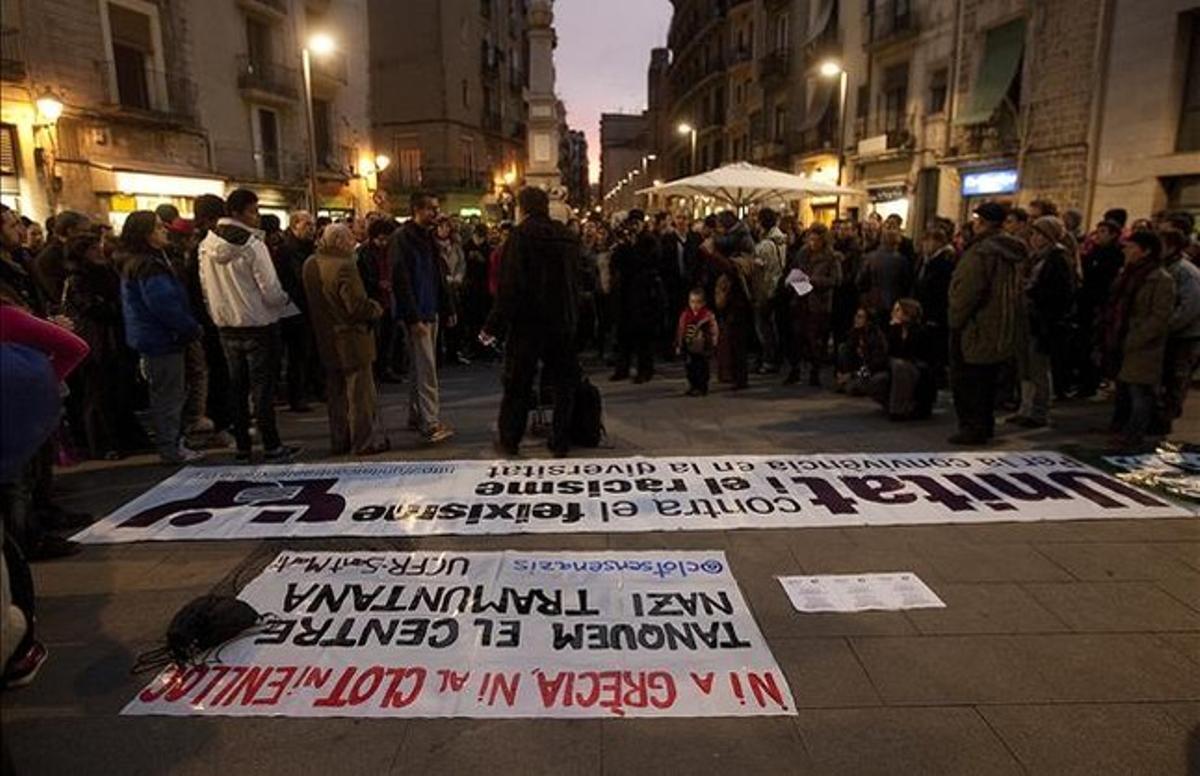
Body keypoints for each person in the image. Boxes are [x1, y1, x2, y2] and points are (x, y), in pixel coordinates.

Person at [198, 188, 302, 463]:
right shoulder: (253, 245)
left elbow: (206, 288)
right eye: (252, 211)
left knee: (237, 386)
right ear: (236, 213)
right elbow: (270, 288)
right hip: (258, 323)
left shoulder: (206, 245)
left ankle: (243, 446)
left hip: (226, 324)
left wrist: (217, 313)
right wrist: (283, 301)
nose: (256, 217)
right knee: (262, 388)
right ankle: (271, 444)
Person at [482, 187, 582, 457]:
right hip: (562, 320)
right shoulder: (567, 236)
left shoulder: (519, 237)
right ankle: (561, 439)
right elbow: (579, 281)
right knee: (563, 383)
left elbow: (510, 286)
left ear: (523, 208)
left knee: (518, 382)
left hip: (529, 322)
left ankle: (511, 438)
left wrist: (494, 325)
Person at [117, 211, 205, 464]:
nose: (164, 230)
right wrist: (189, 327)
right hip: (161, 338)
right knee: (168, 395)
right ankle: (170, 447)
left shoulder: (144, 261)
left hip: (156, 336)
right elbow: (163, 304)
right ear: (145, 234)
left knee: (167, 393)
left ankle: (173, 443)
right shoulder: (147, 265)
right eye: (157, 228)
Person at [302, 224, 387, 456]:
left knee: (336, 395)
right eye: (350, 239)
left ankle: (339, 440)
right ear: (340, 241)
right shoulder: (345, 266)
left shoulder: (311, 264)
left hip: (325, 336)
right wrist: (376, 308)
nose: (354, 243)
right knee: (359, 395)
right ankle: (363, 442)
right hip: (351, 338)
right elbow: (355, 306)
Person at [947, 202, 1027, 445]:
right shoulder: (1010, 251)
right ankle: (984, 424)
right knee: (986, 381)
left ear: (982, 222)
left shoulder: (983, 251)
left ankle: (973, 427)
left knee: (970, 382)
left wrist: (955, 318)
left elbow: (969, 290)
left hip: (977, 325)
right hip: (998, 325)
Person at [61, 231, 137, 459]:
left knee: (116, 391)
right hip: (95, 341)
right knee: (97, 395)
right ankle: (103, 444)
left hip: (112, 339)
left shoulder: (106, 271)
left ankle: (122, 438)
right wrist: (112, 307)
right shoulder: (77, 278)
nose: (99, 252)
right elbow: (92, 307)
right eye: (93, 249)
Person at [390, 191, 456, 444]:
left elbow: (438, 276)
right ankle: (430, 423)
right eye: (431, 209)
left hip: (431, 309)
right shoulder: (402, 239)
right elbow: (401, 279)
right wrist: (413, 317)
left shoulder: (427, 238)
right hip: (418, 313)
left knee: (420, 368)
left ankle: (417, 415)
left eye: (436, 208)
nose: (435, 213)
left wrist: (447, 308)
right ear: (417, 210)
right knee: (427, 369)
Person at [1105, 231, 1175, 450]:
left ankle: (1135, 435)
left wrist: (1136, 338)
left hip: (1144, 346)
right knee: (1125, 390)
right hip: (1123, 339)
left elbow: (1160, 316)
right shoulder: (1129, 273)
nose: (1126, 250)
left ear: (1145, 250)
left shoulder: (1160, 279)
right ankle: (1123, 429)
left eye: (1131, 246)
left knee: (1140, 393)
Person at [1008, 216, 1075, 429]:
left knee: (1038, 368)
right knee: (1024, 366)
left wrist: (1033, 293)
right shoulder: (1034, 258)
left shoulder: (1058, 259)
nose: (1034, 238)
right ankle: (1025, 407)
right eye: (1033, 234)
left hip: (1042, 322)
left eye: (1038, 234)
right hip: (1026, 317)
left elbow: (1060, 294)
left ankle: (1039, 411)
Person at [785, 223, 842, 387]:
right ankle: (794, 371)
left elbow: (836, 280)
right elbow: (794, 269)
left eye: (816, 240)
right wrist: (792, 280)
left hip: (818, 304)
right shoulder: (803, 253)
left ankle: (814, 372)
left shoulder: (831, 257)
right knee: (796, 338)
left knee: (815, 340)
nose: (812, 243)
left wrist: (814, 281)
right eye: (810, 239)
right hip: (801, 299)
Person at [610, 210, 663, 383]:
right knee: (623, 334)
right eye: (631, 223)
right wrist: (623, 245)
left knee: (643, 336)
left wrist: (632, 248)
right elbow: (616, 262)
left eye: (637, 223)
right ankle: (622, 368)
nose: (634, 226)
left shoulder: (649, 240)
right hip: (626, 293)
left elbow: (649, 261)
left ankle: (645, 370)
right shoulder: (625, 242)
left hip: (644, 293)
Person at [1157, 227, 1200, 435]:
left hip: (1184, 336)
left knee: (1176, 378)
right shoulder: (1164, 268)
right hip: (1167, 333)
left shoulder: (1186, 272)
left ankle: (1166, 418)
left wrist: (1168, 326)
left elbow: (1189, 306)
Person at [1075, 220, 1125, 398]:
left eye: (1103, 231)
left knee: (1094, 347)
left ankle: (1091, 382)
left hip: (1100, 306)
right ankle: (1083, 382)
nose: (1098, 235)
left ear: (1113, 235)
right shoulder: (1094, 252)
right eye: (1098, 231)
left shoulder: (1115, 256)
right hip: (1086, 305)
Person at [275, 211, 317, 413]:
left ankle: (310, 388)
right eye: (306, 224)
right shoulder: (285, 252)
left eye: (312, 225)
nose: (311, 228)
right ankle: (296, 394)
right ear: (294, 226)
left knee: (308, 352)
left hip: (310, 307)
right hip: (293, 309)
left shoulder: (312, 249)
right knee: (297, 354)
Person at [709, 211, 754, 390]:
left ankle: (740, 376)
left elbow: (735, 267)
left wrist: (715, 249)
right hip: (733, 294)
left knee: (737, 337)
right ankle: (732, 373)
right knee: (731, 336)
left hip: (739, 295)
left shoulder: (739, 238)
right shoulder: (737, 237)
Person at [356, 217, 402, 381]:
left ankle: (385, 368)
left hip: (389, 299)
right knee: (375, 337)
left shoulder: (392, 251)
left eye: (386, 239)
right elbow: (362, 277)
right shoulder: (364, 253)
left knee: (389, 336)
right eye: (380, 239)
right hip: (374, 299)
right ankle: (374, 370)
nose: (383, 242)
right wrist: (377, 284)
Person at [875, 298, 936, 420]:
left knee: (900, 365)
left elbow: (912, 355)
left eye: (898, 310)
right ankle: (893, 404)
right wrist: (893, 331)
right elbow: (888, 354)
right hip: (898, 371)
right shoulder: (894, 331)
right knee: (879, 379)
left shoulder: (921, 331)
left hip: (918, 371)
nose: (893, 313)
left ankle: (899, 410)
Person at [913, 226, 956, 377]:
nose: (924, 244)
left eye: (927, 241)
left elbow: (941, 291)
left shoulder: (944, 263)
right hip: (923, 311)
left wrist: (935, 316)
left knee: (933, 352)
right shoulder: (925, 261)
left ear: (937, 243)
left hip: (935, 314)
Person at [31, 211, 90, 312]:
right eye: (84, 231)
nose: (87, 235)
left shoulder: (80, 250)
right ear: (70, 231)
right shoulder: (48, 257)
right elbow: (55, 293)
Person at [750, 208, 785, 374]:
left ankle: (768, 360)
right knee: (772, 325)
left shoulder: (765, 245)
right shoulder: (781, 240)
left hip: (766, 289)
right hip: (777, 286)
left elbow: (757, 269)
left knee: (764, 327)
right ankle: (774, 358)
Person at [858, 223, 912, 323]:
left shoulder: (869, 257)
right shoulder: (902, 261)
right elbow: (906, 284)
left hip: (872, 302)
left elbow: (860, 281)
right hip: (895, 304)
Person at [434, 216, 468, 365]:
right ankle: (437, 355)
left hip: (454, 287)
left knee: (455, 321)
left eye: (447, 227)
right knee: (440, 322)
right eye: (441, 227)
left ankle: (453, 352)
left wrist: (459, 276)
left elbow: (461, 263)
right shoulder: (433, 246)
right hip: (440, 288)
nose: (444, 230)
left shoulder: (455, 246)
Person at [835, 307, 889, 396]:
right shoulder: (855, 334)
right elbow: (848, 355)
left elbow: (875, 365)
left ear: (868, 321)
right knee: (843, 348)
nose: (856, 319)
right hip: (858, 372)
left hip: (871, 372)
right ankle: (847, 382)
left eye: (860, 317)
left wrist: (852, 375)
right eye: (856, 316)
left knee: (853, 388)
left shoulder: (876, 338)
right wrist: (841, 372)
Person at [675, 287, 719, 396]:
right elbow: (681, 330)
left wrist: (714, 341)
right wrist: (679, 344)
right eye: (692, 302)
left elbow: (714, 329)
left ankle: (702, 386)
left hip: (703, 346)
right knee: (690, 367)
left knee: (702, 367)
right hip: (689, 345)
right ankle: (693, 385)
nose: (695, 305)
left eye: (698, 302)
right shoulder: (686, 315)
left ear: (703, 303)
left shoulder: (707, 315)